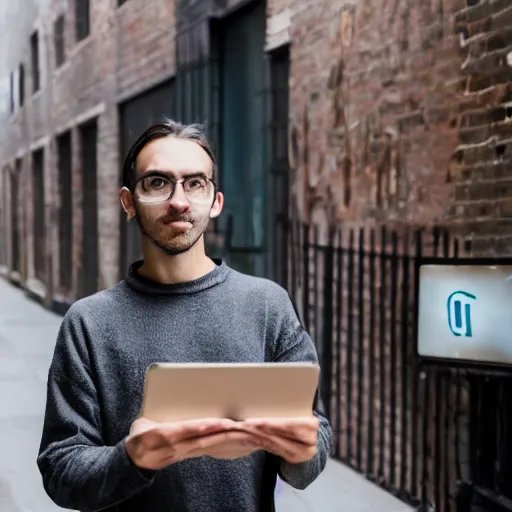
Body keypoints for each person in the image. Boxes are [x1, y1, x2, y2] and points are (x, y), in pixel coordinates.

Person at [37, 120, 333, 512]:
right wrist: (131, 458)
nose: (179, 201)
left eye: (195, 183)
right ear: (128, 202)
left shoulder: (266, 305)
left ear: (215, 201)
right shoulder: (88, 323)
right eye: (158, 183)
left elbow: (315, 437)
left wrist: (301, 452)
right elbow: (61, 468)